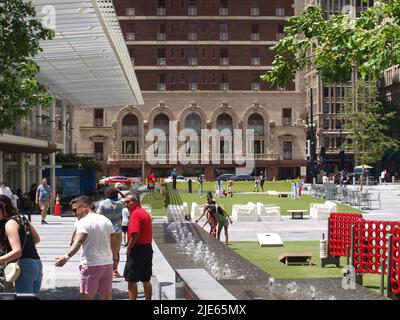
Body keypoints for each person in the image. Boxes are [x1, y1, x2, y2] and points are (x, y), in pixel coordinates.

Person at [55, 196, 119, 300]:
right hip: (107, 264)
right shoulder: (106, 220)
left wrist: (66, 256)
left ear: (84, 207)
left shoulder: (83, 222)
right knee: (106, 295)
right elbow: (114, 242)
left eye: (75, 210)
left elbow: (79, 241)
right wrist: (115, 259)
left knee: (88, 296)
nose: (74, 213)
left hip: (91, 265)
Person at [0, 195, 42, 294]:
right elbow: (36, 239)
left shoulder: (10, 224)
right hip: (37, 263)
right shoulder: (22, 218)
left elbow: (17, 252)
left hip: (24, 266)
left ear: (2, 209)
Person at [123, 192, 153, 300]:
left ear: (136, 202)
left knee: (131, 280)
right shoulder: (144, 212)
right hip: (147, 248)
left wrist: (129, 247)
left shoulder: (135, 213)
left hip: (138, 249)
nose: (126, 204)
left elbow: (135, 233)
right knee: (146, 279)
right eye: (124, 202)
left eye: (128, 202)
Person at [96, 187, 125, 278]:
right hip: (117, 230)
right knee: (116, 251)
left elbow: (98, 216)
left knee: (105, 250)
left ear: (107, 194)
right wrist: (120, 191)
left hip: (106, 231)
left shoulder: (103, 204)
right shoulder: (121, 203)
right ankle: (115, 270)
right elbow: (126, 198)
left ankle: (106, 270)